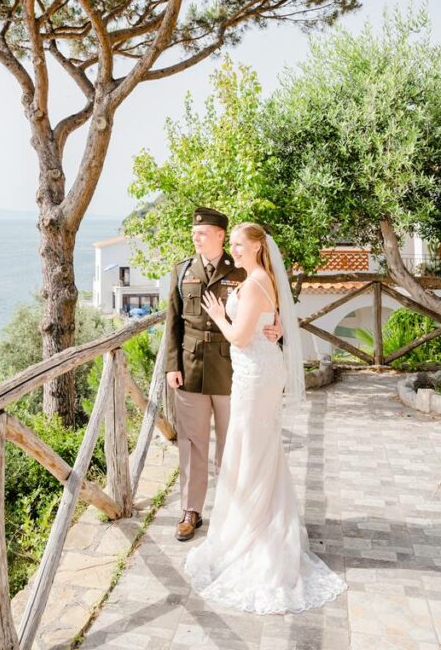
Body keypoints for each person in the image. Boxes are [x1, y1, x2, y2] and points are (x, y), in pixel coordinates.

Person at [183, 222, 348, 613]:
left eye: (240, 244)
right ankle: (260, 523)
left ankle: (257, 537)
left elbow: (239, 338)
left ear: (258, 246)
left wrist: (219, 314)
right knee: (256, 450)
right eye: (234, 245)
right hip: (256, 371)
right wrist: (264, 329)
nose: (234, 250)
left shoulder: (255, 282)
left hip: (255, 376)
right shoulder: (260, 279)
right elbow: (264, 327)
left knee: (250, 451)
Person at [165, 208, 283, 542]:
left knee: (232, 444)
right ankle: (191, 511)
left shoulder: (243, 271)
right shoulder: (181, 271)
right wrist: (172, 365)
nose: (195, 237)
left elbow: (267, 307)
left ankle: (232, 511)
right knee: (192, 443)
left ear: (219, 234)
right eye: (193, 232)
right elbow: (172, 323)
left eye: (202, 232)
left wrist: (279, 326)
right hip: (190, 369)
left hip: (233, 369)